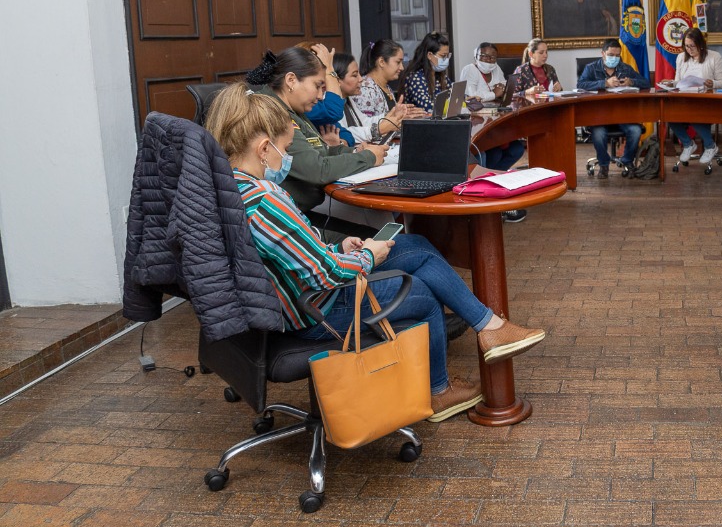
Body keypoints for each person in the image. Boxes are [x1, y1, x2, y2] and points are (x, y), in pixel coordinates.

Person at [204, 83, 546, 422]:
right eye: (284, 148)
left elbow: (291, 253)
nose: (287, 159)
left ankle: (489, 327)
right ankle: (439, 392)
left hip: (292, 297)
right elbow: (328, 274)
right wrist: (368, 256)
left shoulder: (230, 187)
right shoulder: (267, 199)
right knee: (423, 294)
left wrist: (339, 246)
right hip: (314, 310)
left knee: (415, 246)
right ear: (264, 148)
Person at [243, 47, 385, 213]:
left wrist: (354, 152)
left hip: (302, 209)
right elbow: (318, 170)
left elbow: (319, 150)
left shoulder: (292, 109)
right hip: (290, 214)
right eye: (317, 86)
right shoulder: (272, 113)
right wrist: (368, 157)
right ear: (291, 80)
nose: (319, 96)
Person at [577, 38, 647, 179]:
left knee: (636, 130)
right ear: (603, 53)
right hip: (599, 116)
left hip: (622, 114)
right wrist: (604, 83)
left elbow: (645, 82)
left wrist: (631, 81)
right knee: (598, 134)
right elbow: (580, 85)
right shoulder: (591, 68)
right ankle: (603, 164)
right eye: (611, 55)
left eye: (617, 56)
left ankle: (627, 161)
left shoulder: (625, 68)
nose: (614, 58)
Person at [461, 43, 527, 175]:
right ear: (476, 56)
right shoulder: (469, 70)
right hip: (476, 120)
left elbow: (503, 88)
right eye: (485, 56)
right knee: (494, 153)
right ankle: (485, 177)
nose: (489, 60)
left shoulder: (496, 69)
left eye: (493, 57)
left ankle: (495, 175)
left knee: (517, 149)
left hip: (494, 116)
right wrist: (494, 94)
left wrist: (501, 92)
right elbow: (472, 97)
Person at [671, 28, 722, 165]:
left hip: (707, 102)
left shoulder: (714, 57)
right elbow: (678, 82)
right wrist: (671, 83)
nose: (689, 49)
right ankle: (688, 144)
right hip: (685, 100)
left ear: (700, 44)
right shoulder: (680, 58)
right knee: (668, 113)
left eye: (692, 46)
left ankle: (710, 146)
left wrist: (711, 83)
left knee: (692, 113)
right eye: (686, 46)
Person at [350, 39, 422, 136]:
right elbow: (365, 127)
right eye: (398, 62)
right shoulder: (366, 89)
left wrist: (403, 116)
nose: (402, 67)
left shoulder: (386, 86)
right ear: (382, 62)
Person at [402, 31, 451, 113]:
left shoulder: (440, 76)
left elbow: (453, 93)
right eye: (443, 56)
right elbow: (428, 107)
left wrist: (467, 99)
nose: (446, 60)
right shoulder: (415, 77)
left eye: (447, 56)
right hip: (419, 124)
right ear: (429, 55)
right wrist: (450, 107)